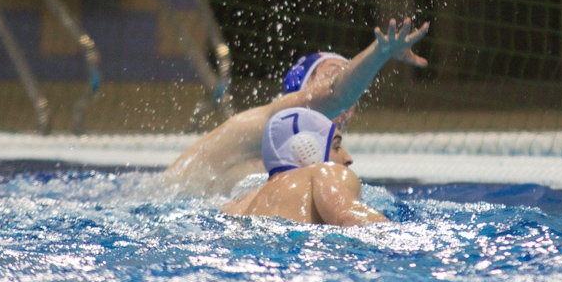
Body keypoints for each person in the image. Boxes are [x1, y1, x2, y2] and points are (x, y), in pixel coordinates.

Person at [164, 17, 429, 195]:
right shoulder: (262, 127)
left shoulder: (308, 160)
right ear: (300, 91)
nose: (349, 101)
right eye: (330, 74)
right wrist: (379, 54)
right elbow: (337, 94)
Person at [220, 107, 388, 226]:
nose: (348, 158)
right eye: (336, 147)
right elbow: (349, 217)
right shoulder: (323, 172)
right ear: (307, 151)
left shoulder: (239, 205)